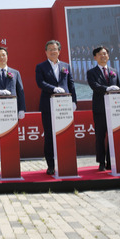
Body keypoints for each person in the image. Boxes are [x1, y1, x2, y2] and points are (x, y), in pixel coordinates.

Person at [35, 40, 77, 175]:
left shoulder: (66, 66)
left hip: (64, 105)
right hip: (48, 105)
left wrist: (73, 101)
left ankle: (66, 162)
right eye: (50, 49)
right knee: (49, 135)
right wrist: (54, 89)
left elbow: (71, 84)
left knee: (65, 133)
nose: (53, 51)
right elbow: (40, 83)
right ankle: (51, 165)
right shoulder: (41, 67)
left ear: (59, 51)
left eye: (55, 49)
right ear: (46, 52)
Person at [0, 47, 26, 171]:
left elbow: (21, 92)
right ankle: (1, 166)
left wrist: (22, 109)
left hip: (12, 111)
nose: (1, 57)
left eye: (3, 55)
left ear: (7, 57)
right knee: (0, 138)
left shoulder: (15, 73)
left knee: (12, 138)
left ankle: (13, 165)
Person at [86, 46, 120, 171]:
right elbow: (94, 86)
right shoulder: (91, 72)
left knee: (113, 135)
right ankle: (101, 162)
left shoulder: (114, 71)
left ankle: (111, 161)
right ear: (95, 57)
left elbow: (119, 88)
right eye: (100, 54)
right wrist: (107, 89)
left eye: (105, 54)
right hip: (100, 109)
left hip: (114, 109)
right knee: (100, 136)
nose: (103, 56)